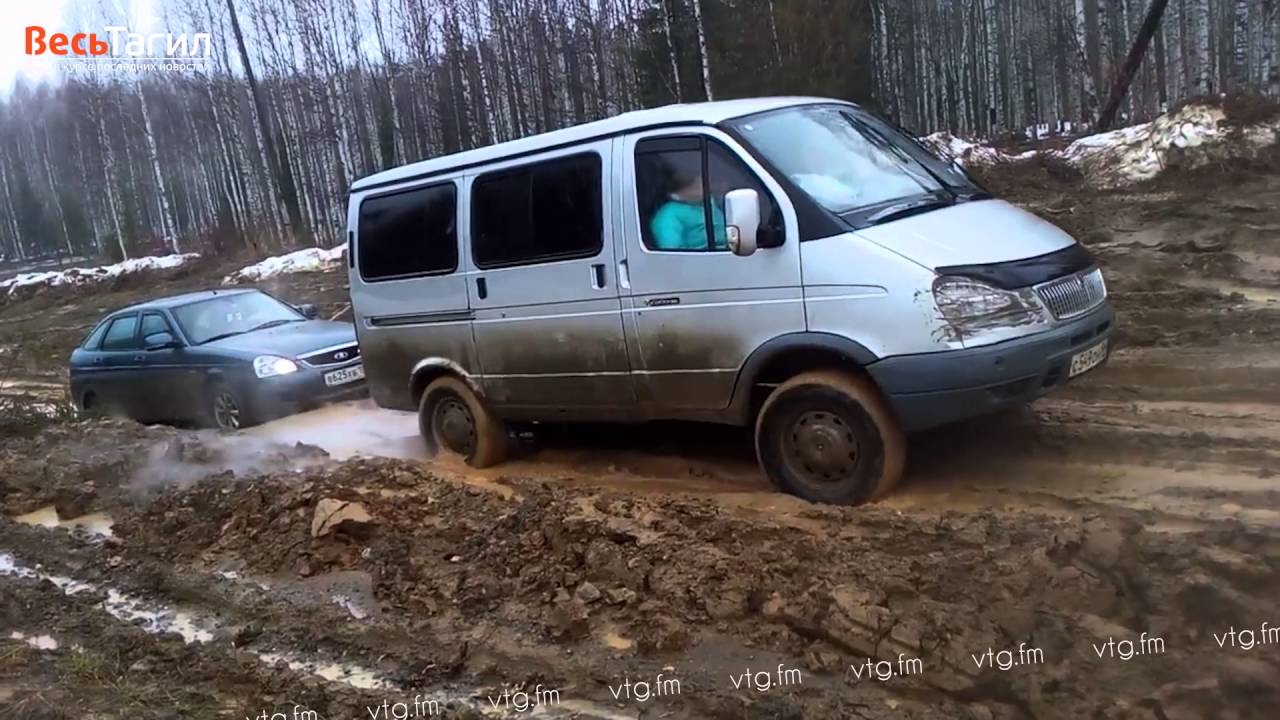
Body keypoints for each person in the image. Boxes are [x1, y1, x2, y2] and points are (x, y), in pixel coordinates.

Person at [650, 157, 727, 251]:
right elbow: (673, 257)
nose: (707, 183)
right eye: (701, 180)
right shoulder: (668, 216)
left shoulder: (711, 202)